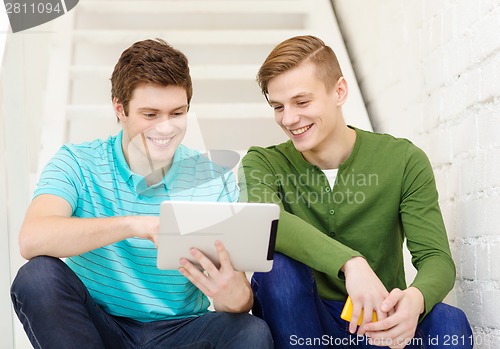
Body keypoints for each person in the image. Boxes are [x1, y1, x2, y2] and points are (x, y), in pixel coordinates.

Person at [10, 38, 273, 349]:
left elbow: (239, 298)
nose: (166, 129)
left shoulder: (214, 180)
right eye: (150, 115)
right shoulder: (77, 163)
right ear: (120, 108)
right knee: (37, 277)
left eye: (177, 113)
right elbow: (32, 239)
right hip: (100, 328)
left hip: (181, 331)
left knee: (251, 331)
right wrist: (136, 225)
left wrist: (234, 296)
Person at [238, 35, 473, 349]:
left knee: (450, 323)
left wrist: (415, 301)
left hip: (380, 324)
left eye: (302, 102)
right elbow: (266, 220)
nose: (289, 118)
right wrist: (351, 263)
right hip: (305, 326)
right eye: (278, 107)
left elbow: (436, 259)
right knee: (277, 270)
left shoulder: (403, 160)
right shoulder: (263, 163)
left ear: (339, 91)